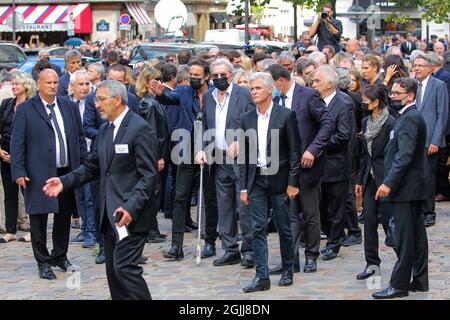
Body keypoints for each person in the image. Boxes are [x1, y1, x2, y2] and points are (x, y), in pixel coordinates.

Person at [43, 80, 157, 300]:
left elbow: (149, 176)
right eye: (97, 100)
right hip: (108, 213)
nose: (97, 104)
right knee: (114, 273)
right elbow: (92, 166)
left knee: (125, 268)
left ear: (117, 100)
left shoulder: (139, 128)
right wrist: (64, 181)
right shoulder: (105, 130)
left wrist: (131, 208)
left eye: (101, 99)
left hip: (131, 215)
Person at [10, 69, 87, 280]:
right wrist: (18, 170)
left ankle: (60, 255)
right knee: (39, 219)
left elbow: (79, 137)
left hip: (66, 173)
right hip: (38, 172)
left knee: (64, 216)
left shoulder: (69, 106)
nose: (52, 86)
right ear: (39, 83)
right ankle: (42, 261)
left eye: (55, 82)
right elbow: (17, 144)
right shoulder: (26, 109)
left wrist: (83, 166)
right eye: (48, 83)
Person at [266, 63, 333, 274]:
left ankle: (311, 255)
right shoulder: (275, 100)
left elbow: (328, 123)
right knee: (288, 215)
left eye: (270, 84)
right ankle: (290, 259)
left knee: (310, 212)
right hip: (285, 167)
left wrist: (313, 149)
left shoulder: (308, 96)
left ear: (280, 81)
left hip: (308, 165)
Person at [149, 59, 218, 260]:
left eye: (197, 76)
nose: (193, 79)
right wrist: (160, 93)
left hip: (210, 149)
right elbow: (168, 98)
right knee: (180, 197)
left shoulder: (214, 94)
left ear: (206, 76)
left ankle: (210, 241)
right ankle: (176, 246)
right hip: (187, 149)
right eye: (191, 76)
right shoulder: (183, 91)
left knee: (209, 197)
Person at [239, 72, 301, 293]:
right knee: (257, 228)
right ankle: (261, 276)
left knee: (284, 227)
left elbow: (295, 152)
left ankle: (287, 269)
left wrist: (293, 183)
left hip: (280, 179)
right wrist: (243, 186)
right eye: (251, 88)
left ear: (269, 90)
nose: (253, 92)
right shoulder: (246, 118)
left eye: (257, 88)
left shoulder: (286, 115)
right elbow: (244, 156)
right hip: (256, 180)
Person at [372, 78, 428, 299]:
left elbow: (404, 156)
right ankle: (420, 280)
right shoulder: (406, 117)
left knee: (405, 238)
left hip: (405, 190)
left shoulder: (410, 119)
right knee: (416, 236)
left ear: (410, 96)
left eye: (397, 93)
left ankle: (399, 285)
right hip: (410, 188)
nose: (393, 96)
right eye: (392, 93)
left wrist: (388, 183)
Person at [195, 58, 255, 266]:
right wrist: (201, 148)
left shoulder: (243, 94)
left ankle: (249, 250)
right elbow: (204, 125)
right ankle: (229, 248)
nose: (219, 79)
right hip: (218, 158)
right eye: (215, 76)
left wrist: (241, 141)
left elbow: (254, 122)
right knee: (224, 206)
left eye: (223, 75)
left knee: (244, 205)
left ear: (231, 75)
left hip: (240, 159)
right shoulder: (209, 97)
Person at [311, 65, 355, 261]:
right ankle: (332, 235)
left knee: (336, 207)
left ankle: (334, 243)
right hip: (315, 166)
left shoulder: (343, 103)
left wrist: (317, 146)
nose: (313, 85)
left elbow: (344, 135)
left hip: (335, 163)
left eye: (317, 81)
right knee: (319, 205)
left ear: (329, 83)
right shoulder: (314, 102)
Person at [355, 84, 395, 280]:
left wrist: (389, 181)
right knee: (369, 222)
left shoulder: (391, 123)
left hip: (386, 180)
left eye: (366, 100)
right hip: (370, 180)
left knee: (390, 224)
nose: (363, 103)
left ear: (376, 102)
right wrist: (359, 180)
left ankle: (404, 261)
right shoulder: (365, 120)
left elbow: (394, 155)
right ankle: (372, 264)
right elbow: (364, 155)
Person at [413, 53, 449, 227]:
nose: (417, 68)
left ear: (430, 68)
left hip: (430, 141)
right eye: (415, 65)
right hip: (413, 140)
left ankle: (429, 211)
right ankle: (417, 208)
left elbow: (442, 115)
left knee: (428, 177)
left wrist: (436, 140)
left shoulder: (438, 86)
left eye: (420, 65)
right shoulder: (412, 85)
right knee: (415, 175)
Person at [0, 72, 36, 244]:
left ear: (26, 86)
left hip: (25, 154)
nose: (13, 87)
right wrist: (0, 151)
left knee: (28, 192)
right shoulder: (6, 104)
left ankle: (31, 229)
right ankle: (10, 230)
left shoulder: (32, 105)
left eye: (17, 84)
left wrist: (18, 156)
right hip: (5, 153)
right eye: (12, 84)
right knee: (9, 193)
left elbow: (34, 134)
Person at [135, 67, 170, 243]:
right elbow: (152, 133)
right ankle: (149, 229)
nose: (159, 83)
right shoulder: (148, 103)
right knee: (152, 193)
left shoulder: (152, 101)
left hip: (157, 153)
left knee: (155, 193)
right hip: (153, 155)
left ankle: (152, 228)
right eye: (156, 80)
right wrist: (157, 156)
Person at [68, 70, 97, 248]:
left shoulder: (95, 102)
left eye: (87, 84)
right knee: (79, 195)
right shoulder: (69, 104)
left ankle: (92, 232)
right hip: (76, 154)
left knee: (89, 195)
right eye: (81, 84)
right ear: (73, 86)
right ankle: (85, 229)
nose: (85, 88)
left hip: (91, 154)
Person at [429, 52, 450, 202]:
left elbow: (443, 107)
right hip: (442, 127)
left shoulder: (443, 79)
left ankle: (444, 190)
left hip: (445, 128)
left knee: (442, 162)